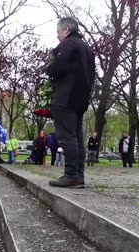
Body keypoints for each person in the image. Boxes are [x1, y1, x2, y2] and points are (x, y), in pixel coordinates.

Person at [47, 17, 95, 188]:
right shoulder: (88, 49)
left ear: (66, 30)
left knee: (67, 136)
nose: (57, 36)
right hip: (81, 98)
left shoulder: (67, 45)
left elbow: (57, 68)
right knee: (77, 137)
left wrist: (50, 67)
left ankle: (70, 174)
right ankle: (79, 175)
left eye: (58, 32)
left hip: (65, 97)